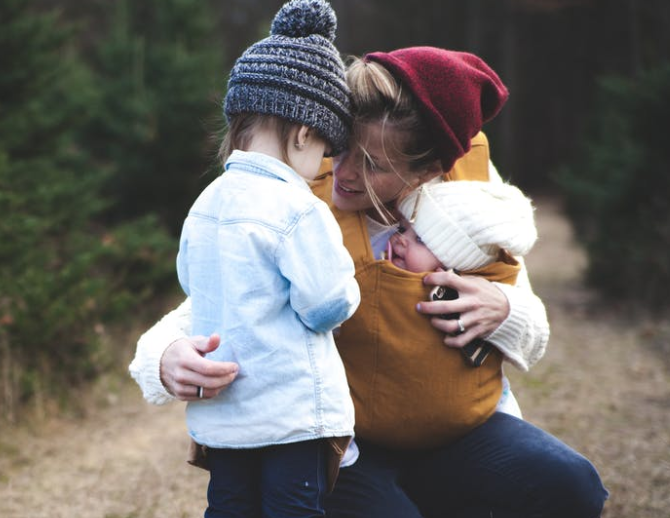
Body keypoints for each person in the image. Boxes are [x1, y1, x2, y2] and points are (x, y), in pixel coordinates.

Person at [130, 42, 608, 517]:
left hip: (460, 432)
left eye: (375, 164)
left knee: (571, 485)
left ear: (428, 171)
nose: (344, 172)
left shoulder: (473, 205)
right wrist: (164, 357)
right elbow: (217, 296)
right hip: (345, 444)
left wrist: (505, 310)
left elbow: (535, 330)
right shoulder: (295, 198)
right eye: (342, 148)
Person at [173, 1, 360, 516]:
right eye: (324, 147)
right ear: (304, 132)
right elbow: (326, 304)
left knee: (230, 507)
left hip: (225, 417)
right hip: (290, 415)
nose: (322, 163)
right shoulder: (297, 206)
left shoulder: (205, 204)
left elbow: (191, 282)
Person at [387, 179, 539, 418]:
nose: (400, 239)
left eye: (420, 240)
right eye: (402, 228)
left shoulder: (471, 296)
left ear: (451, 265)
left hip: (480, 413)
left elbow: (533, 339)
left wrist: (507, 311)